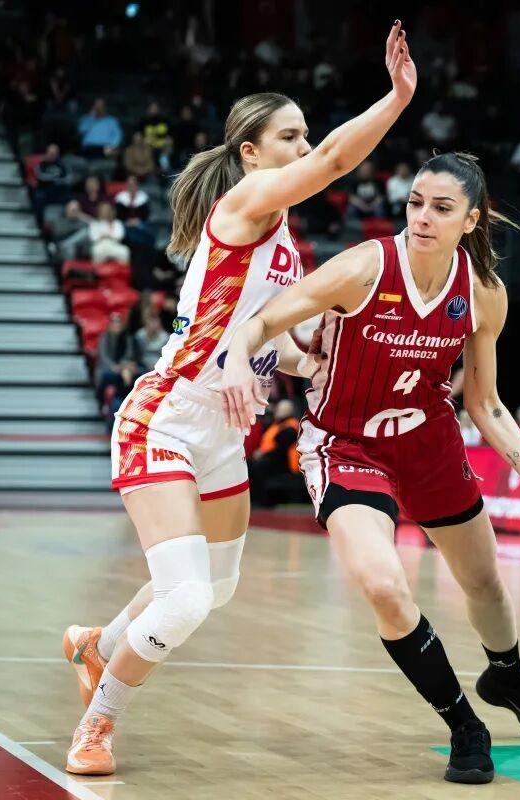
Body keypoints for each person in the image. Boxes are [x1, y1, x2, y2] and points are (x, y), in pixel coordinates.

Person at [59, 23, 418, 777]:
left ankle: (98, 642)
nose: (303, 146)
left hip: (224, 432)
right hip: (167, 416)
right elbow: (334, 161)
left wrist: (306, 355)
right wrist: (395, 100)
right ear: (251, 153)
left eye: (304, 135)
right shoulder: (245, 201)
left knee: (212, 591)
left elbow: (267, 341)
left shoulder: (284, 240)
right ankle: (96, 725)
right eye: (288, 136)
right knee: (185, 599)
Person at [219, 151, 520, 785]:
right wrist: (235, 361)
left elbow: (486, 404)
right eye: (416, 202)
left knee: (485, 584)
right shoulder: (366, 265)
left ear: (470, 220)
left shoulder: (483, 295)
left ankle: (509, 677)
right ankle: (463, 724)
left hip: (430, 441)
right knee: (387, 589)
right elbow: (262, 321)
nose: (422, 216)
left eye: (441, 208)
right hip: (347, 446)